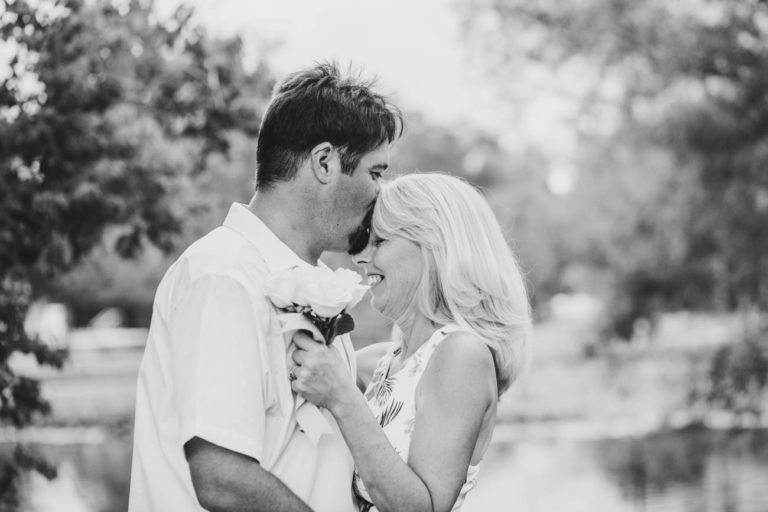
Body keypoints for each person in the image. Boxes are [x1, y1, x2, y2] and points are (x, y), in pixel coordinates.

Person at [128, 62, 403, 512]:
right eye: (376, 173)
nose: (382, 194)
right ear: (325, 162)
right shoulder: (223, 275)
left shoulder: (308, 284)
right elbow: (222, 478)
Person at [289, 172, 532, 512]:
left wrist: (342, 397)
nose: (361, 257)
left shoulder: (461, 354)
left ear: (434, 248)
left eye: (381, 242)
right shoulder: (379, 363)